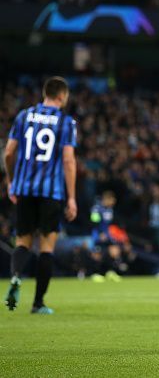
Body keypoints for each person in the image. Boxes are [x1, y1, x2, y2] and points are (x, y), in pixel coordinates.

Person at [4, 76, 78, 314]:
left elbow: (8, 153)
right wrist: (72, 197)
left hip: (24, 189)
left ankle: (15, 276)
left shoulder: (24, 116)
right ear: (62, 95)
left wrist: (11, 181)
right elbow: (68, 160)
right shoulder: (66, 122)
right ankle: (38, 303)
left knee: (23, 241)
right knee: (46, 247)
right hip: (50, 191)